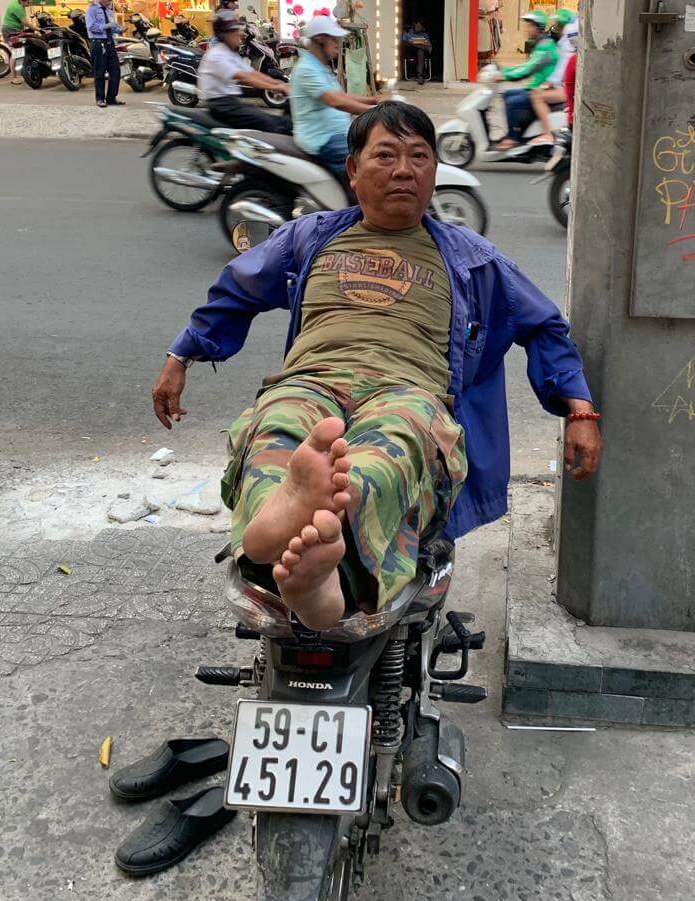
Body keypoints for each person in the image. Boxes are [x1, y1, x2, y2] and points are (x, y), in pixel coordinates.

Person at [151, 101, 601, 631]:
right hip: (311, 383)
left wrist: (580, 410)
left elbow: (544, 325)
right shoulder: (309, 238)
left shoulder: (473, 258)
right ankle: (293, 529)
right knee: (276, 428)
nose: (404, 170)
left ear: (435, 171)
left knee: (390, 449)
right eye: (385, 155)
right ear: (353, 169)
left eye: (419, 156)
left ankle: (321, 577)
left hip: (406, 391)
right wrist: (182, 354)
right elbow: (235, 290)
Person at [290, 14, 378, 179]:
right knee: (367, 169)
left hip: (337, 133)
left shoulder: (320, 66)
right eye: (335, 39)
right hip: (322, 139)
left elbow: (341, 96)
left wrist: (374, 101)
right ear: (320, 39)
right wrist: (373, 111)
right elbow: (334, 100)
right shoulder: (306, 69)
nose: (339, 44)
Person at [198, 10, 291, 132]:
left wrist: (279, 84)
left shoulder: (229, 52)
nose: (240, 34)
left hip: (231, 104)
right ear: (225, 34)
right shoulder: (217, 55)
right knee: (271, 125)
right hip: (222, 107)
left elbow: (252, 73)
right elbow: (246, 78)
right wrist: (279, 88)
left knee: (271, 120)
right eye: (235, 31)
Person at [496, 10, 558, 150]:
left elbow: (529, 68)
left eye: (529, 26)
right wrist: (504, 72)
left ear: (538, 27)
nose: (526, 29)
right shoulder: (541, 43)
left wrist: (505, 76)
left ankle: (513, 137)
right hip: (536, 86)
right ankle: (518, 132)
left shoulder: (545, 47)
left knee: (512, 102)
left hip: (541, 89)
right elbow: (526, 65)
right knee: (507, 94)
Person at [527, 8, 577, 146]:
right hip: (560, 85)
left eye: (559, 24)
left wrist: (548, 84)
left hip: (564, 88)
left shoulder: (567, 46)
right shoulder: (562, 44)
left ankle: (548, 134)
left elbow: (562, 72)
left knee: (536, 97)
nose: (557, 27)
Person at [85, 0, 123, 109]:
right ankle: (100, 99)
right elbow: (91, 27)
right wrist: (105, 26)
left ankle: (111, 98)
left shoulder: (109, 10)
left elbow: (112, 27)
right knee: (100, 72)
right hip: (98, 43)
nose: (110, 2)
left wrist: (118, 29)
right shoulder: (92, 9)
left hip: (110, 43)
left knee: (116, 71)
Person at [1, 0, 31, 84]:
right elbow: (26, 23)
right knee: (16, 53)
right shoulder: (17, 7)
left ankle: (17, 74)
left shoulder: (17, 3)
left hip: (14, 30)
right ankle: (13, 77)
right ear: (22, 1)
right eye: (28, 2)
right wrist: (38, 29)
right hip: (10, 31)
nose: (30, 4)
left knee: (18, 52)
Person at [402, 17, 432, 85]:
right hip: (411, 52)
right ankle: (423, 47)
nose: (420, 28)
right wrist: (413, 42)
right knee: (408, 42)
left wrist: (423, 43)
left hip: (421, 54)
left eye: (421, 27)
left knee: (421, 51)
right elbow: (404, 42)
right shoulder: (408, 33)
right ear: (414, 24)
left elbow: (429, 44)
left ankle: (420, 76)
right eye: (418, 26)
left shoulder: (424, 34)